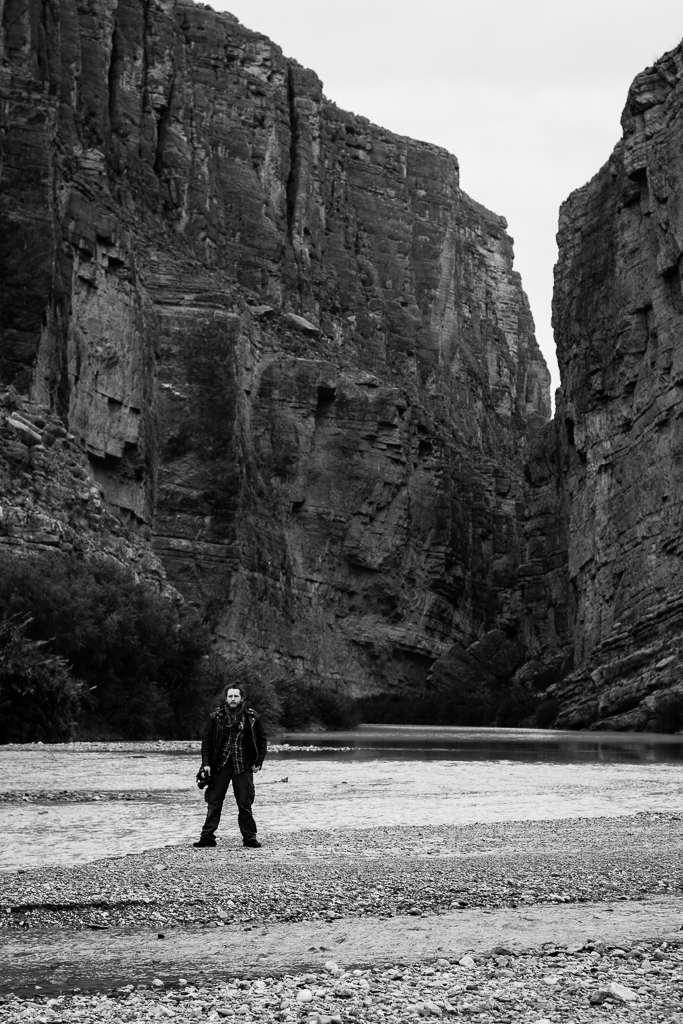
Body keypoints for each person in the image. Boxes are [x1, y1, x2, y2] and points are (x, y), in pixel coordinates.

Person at [193, 684, 267, 849]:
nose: (233, 699)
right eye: (230, 696)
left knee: (245, 804)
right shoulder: (215, 717)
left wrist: (258, 761)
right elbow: (207, 743)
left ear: (242, 698)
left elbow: (262, 741)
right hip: (220, 766)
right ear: (226, 698)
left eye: (236, 696)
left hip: (243, 766)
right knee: (214, 803)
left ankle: (250, 838)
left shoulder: (252, 717)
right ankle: (207, 838)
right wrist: (206, 765)